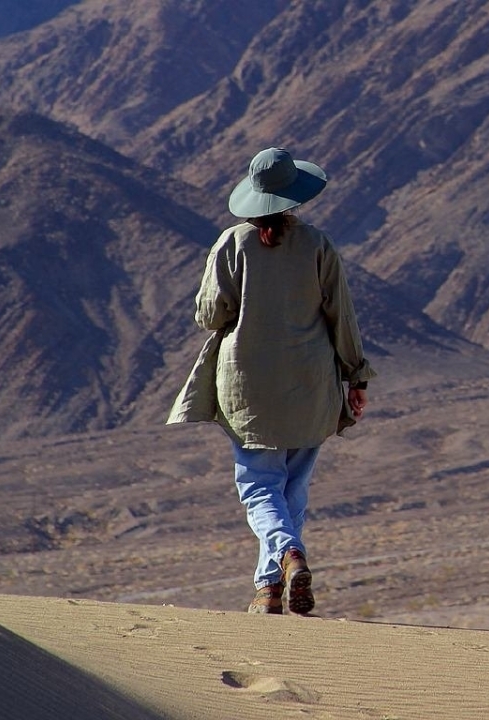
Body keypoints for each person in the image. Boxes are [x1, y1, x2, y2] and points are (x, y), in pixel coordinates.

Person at [167, 147, 376, 615]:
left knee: (260, 488)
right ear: (294, 195)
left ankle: (285, 555)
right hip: (311, 382)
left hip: (249, 388)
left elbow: (210, 315)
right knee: (292, 490)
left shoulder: (232, 244)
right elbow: (342, 317)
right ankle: (268, 588)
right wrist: (356, 377)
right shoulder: (318, 245)